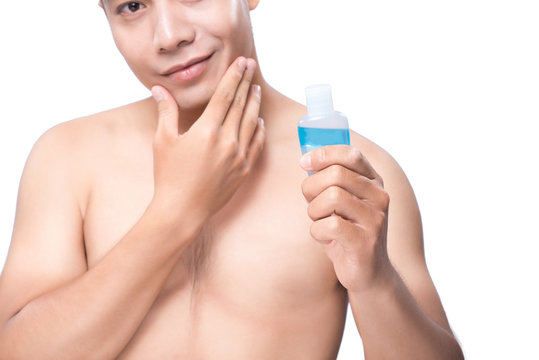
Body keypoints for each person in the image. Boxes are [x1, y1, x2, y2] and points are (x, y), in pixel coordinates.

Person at [0, 0, 463, 358]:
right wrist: (175, 211)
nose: (169, 35)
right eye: (132, 6)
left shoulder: (352, 172)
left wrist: (375, 281)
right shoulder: (67, 159)